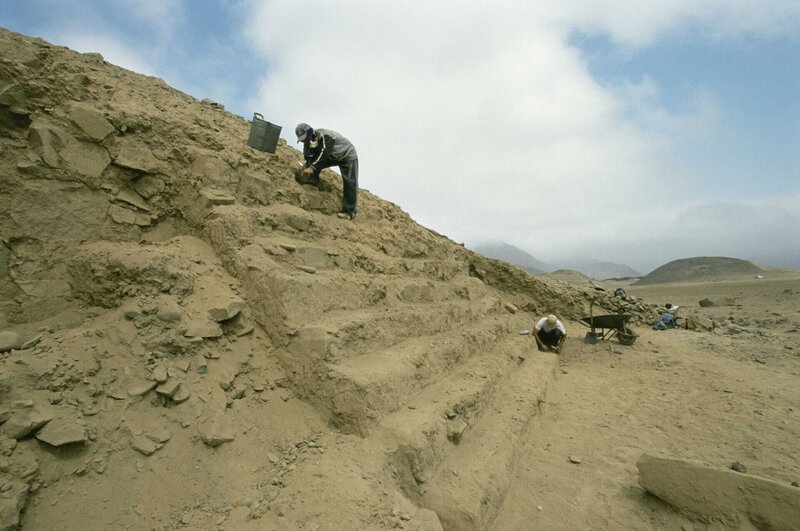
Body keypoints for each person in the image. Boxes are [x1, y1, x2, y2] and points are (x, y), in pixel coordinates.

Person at [295, 123, 359, 220]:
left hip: (346, 155)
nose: (304, 141)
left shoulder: (324, 136)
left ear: (309, 132)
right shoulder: (308, 143)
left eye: (304, 138)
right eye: (302, 139)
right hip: (333, 156)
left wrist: (312, 168)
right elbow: (309, 156)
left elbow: (324, 152)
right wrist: (306, 166)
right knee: (311, 163)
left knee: (350, 181)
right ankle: (311, 182)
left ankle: (349, 212)